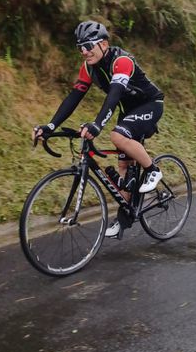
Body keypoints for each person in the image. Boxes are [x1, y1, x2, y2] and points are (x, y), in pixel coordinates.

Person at [33, 20, 164, 238]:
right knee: (123, 164)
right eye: (80, 47)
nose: (84, 51)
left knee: (117, 136)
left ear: (103, 43)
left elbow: (114, 95)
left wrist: (97, 125)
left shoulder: (121, 61)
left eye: (89, 45)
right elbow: (74, 96)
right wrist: (50, 125)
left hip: (150, 104)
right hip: (127, 110)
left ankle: (153, 170)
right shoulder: (88, 68)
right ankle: (125, 217)